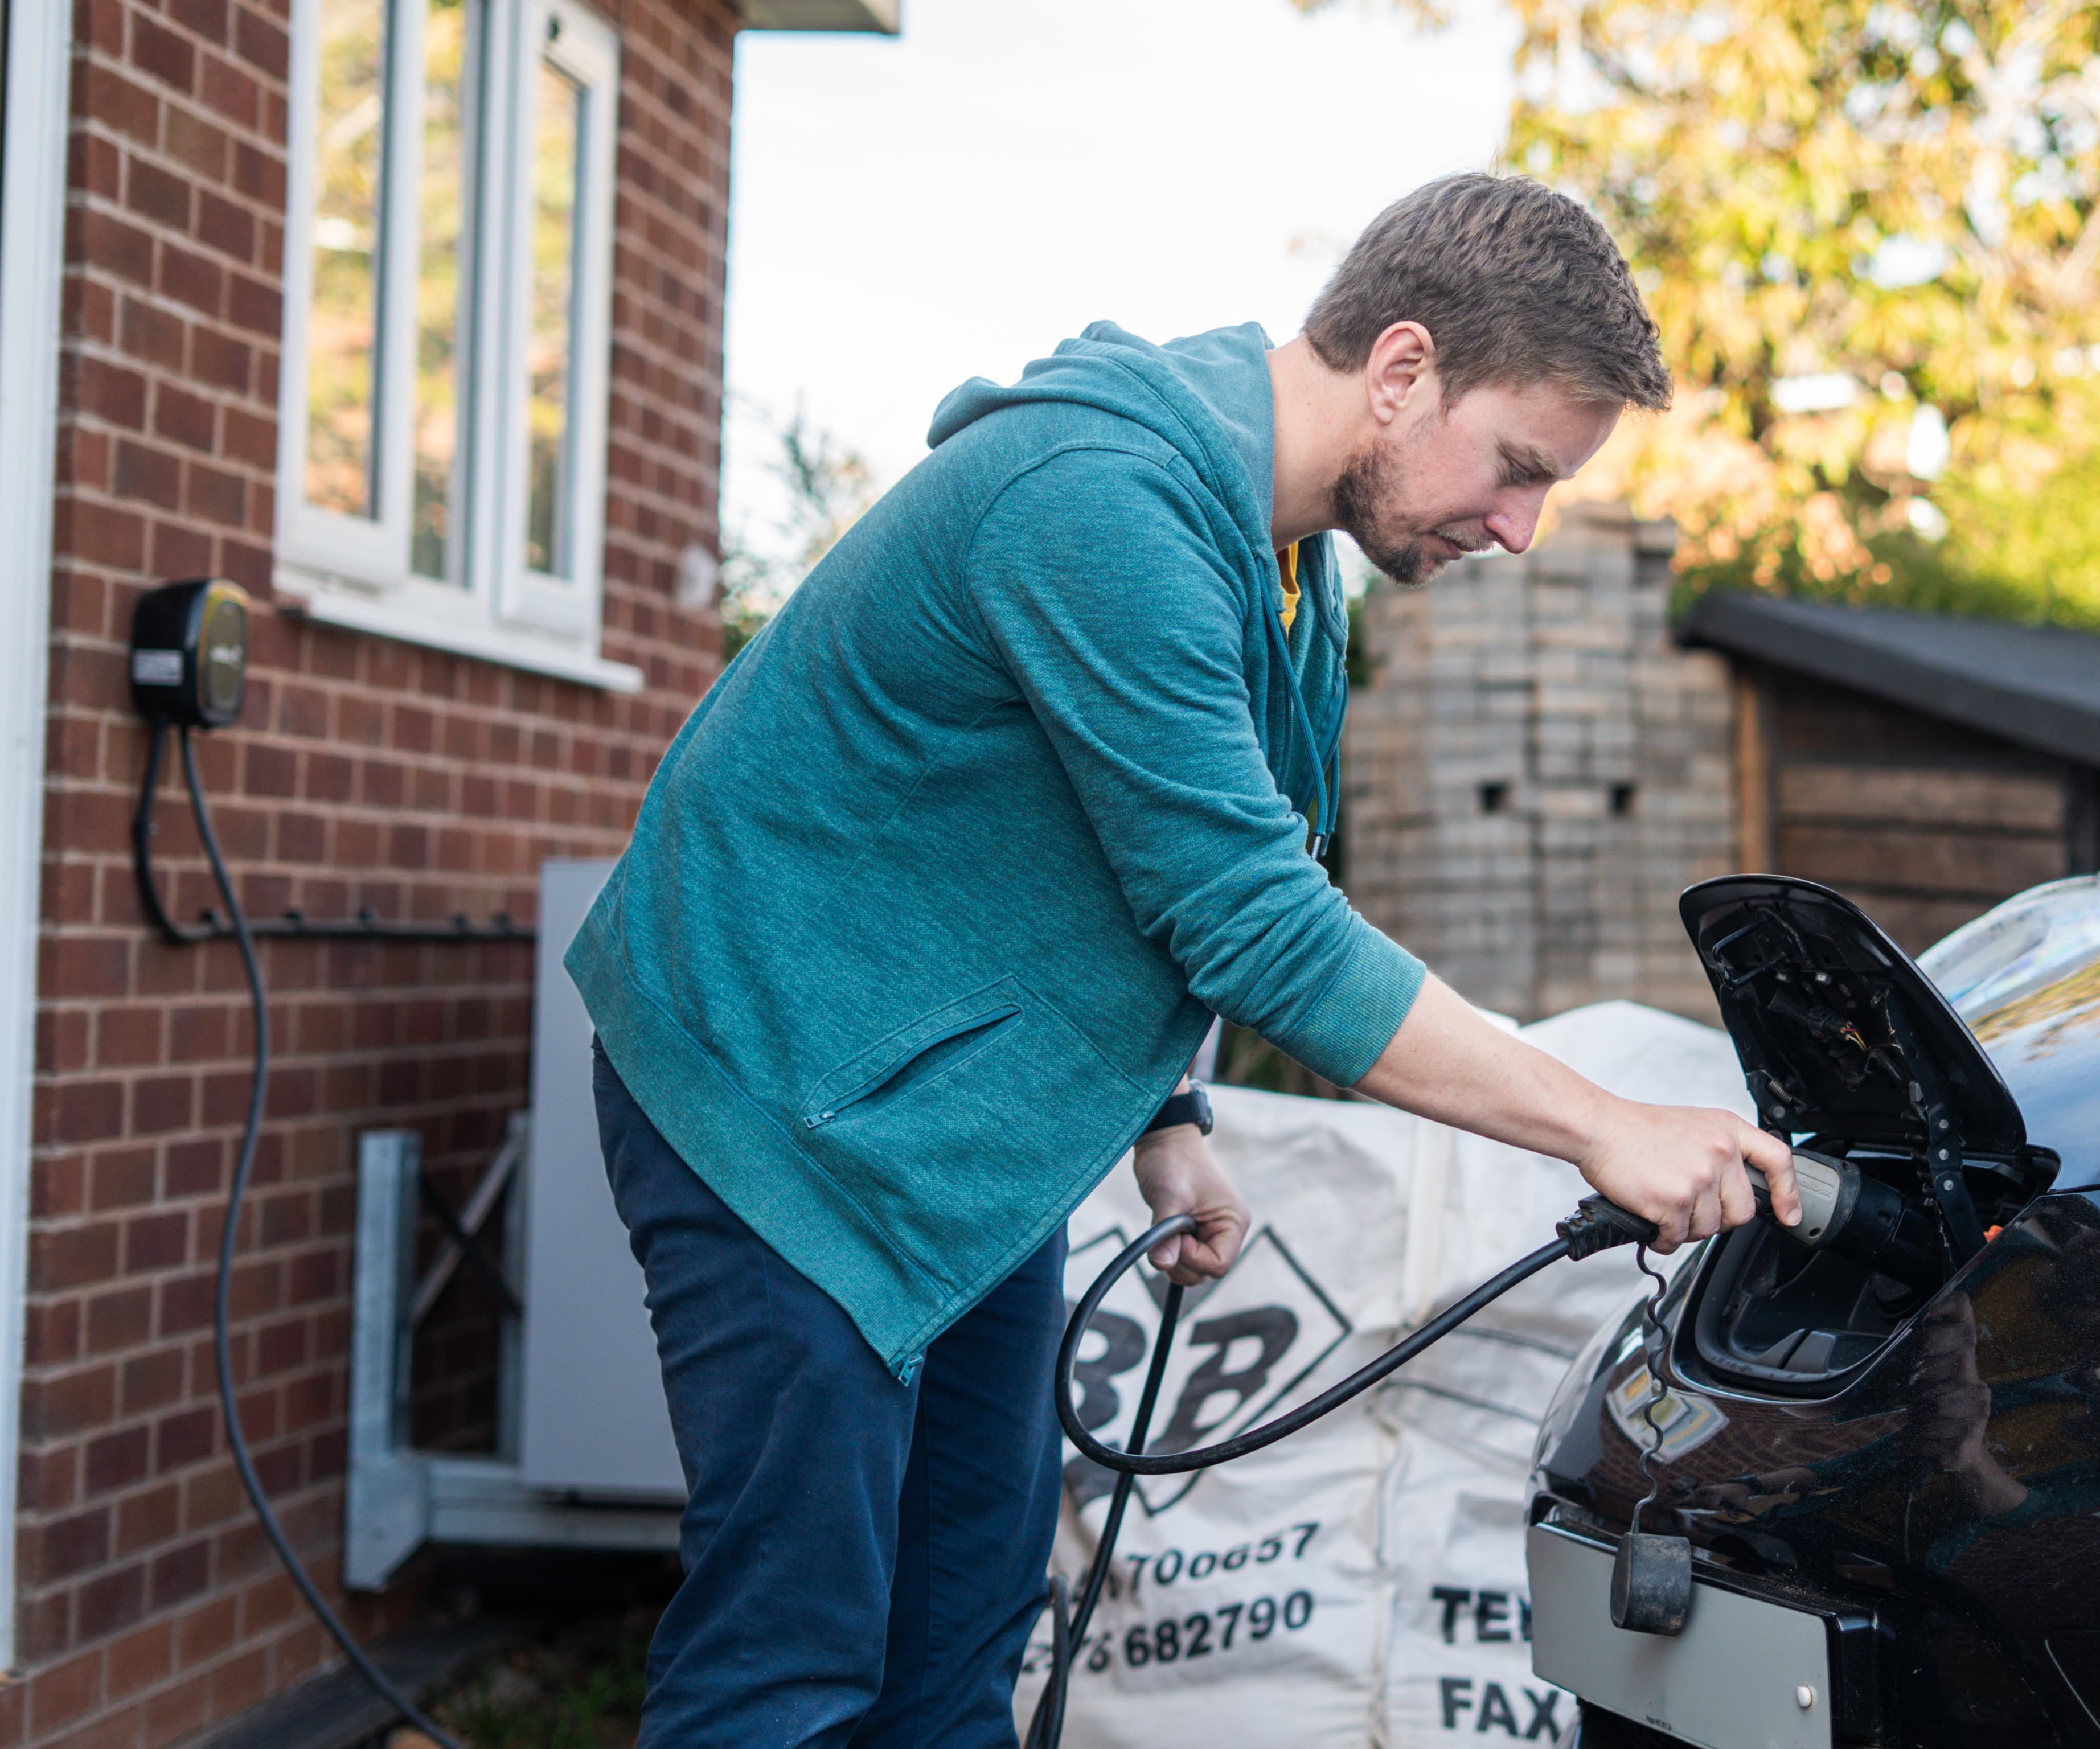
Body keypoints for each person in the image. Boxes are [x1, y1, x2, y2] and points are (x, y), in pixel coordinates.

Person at [568, 172, 1800, 1748]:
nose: (1518, 527)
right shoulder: (1100, 501)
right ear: (1403, 368)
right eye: (1513, 469)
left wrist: (1169, 1119)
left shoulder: (1288, 577)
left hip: (956, 1139)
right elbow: (1259, 926)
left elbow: (1151, 861)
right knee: (796, 1658)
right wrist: (1603, 1125)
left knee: (960, 1637)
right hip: (776, 1095)